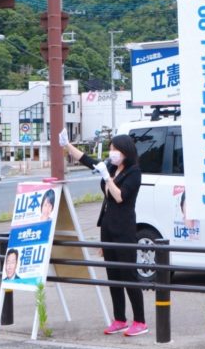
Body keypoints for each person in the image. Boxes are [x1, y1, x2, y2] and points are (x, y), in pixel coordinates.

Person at [59, 128, 148, 337]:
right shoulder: (110, 166)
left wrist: (107, 177)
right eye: (110, 149)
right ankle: (119, 319)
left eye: (115, 149)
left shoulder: (134, 172)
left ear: (125, 151)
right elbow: (89, 161)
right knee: (112, 275)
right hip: (107, 227)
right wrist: (67, 146)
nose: (112, 153)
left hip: (124, 229)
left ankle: (140, 321)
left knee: (129, 275)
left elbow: (120, 197)